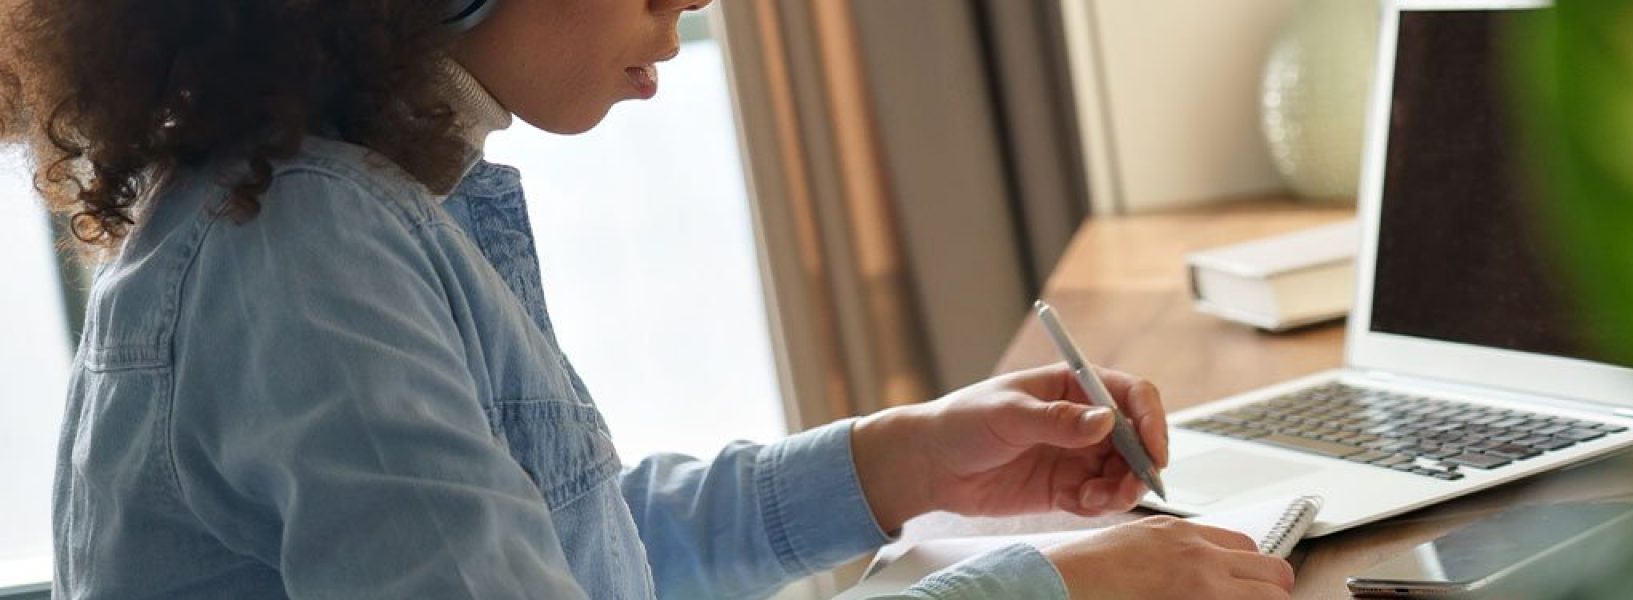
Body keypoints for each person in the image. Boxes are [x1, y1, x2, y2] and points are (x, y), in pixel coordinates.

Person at [0, 1, 1295, 599]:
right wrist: (1053, 595)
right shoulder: (303, 252)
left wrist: (904, 463)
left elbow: (567, 551)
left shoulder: (358, 200)